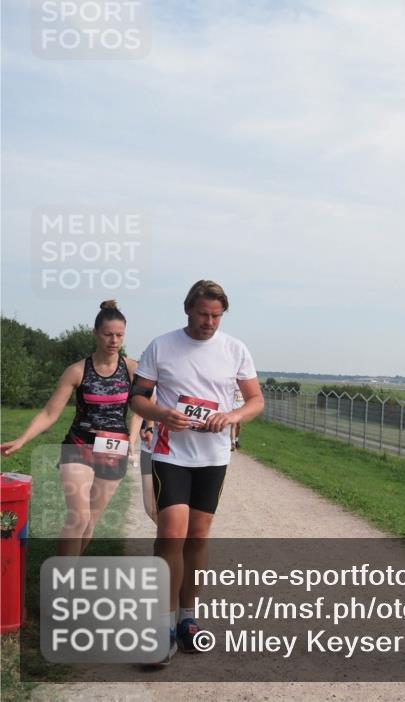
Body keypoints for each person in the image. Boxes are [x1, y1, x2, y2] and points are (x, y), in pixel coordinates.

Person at [129, 280, 263, 666]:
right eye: (203, 314)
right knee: (170, 533)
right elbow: (138, 398)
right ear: (187, 310)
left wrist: (232, 415)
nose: (209, 322)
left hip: (212, 456)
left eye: (216, 316)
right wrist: (161, 414)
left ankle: (188, 619)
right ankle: (161, 625)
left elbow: (256, 401)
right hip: (170, 453)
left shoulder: (235, 349)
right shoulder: (162, 346)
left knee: (198, 536)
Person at [1, 301, 143, 557]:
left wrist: (133, 439)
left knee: (90, 522)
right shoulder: (77, 371)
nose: (113, 340)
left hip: (114, 449)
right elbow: (49, 413)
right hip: (79, 446)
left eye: (119, 335)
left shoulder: (132, 369)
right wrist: (22, 440)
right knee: (78, 517)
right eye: (107, 334)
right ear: (95, 333)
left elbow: (142, 408)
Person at [230, 387, 244, 451]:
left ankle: (236, 440)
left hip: (241, 408)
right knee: (234, 425)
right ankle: (233, 443)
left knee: (239, 426)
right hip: (233, 407)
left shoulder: (243, 384)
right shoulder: (233, 383)